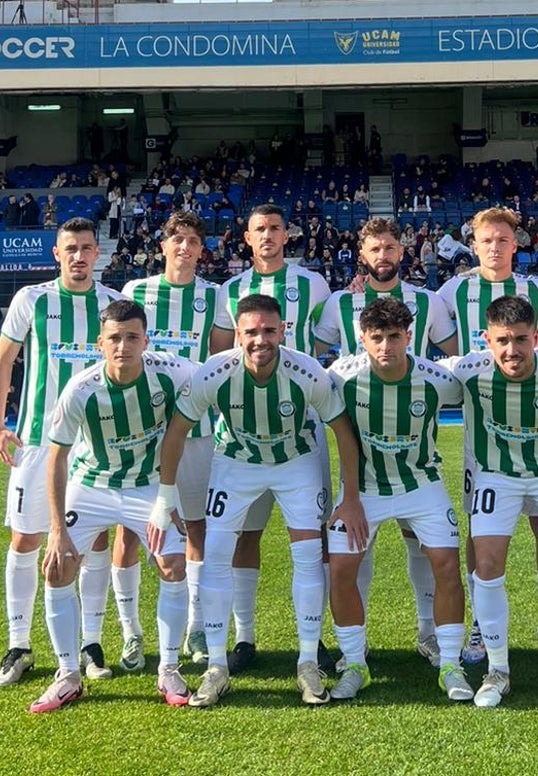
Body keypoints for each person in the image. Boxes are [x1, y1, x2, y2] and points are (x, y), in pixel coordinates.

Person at [153, 293, 361, 707]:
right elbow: (175, 433)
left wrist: (350, 496)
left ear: (283, 330)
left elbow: (342, 432)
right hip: (236, 462)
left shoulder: (307, 371)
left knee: (306, 554)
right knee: (215, 556)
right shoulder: (215, 372)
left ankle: (306, 660)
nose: (260, 340)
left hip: (295, 461)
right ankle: (216, 664)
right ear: (238, 334)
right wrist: (164, 500)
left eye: (269, 330)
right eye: (251, 332)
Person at [436, 206, 538, 668]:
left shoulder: (537, 288)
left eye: (503, 240)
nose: (495, 248)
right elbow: (418, 317)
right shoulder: (453, 290)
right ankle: (482, 624)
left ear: (514, 244)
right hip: (482, 433)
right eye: (486, 241)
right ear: (474, 244)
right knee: (478, 532)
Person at [28, 300, 197, 713]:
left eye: (132, 337)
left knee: (174, 565)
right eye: (115, 339)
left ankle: (170, 669)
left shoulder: (172, 375)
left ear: (146, 340)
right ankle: (68, 675)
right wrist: (56, 529)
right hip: (93, 487)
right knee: (58, 566)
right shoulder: (80, 391)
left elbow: (216, 380)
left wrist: (168, 497)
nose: (123, 346)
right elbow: (57, 459)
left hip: (146, 487)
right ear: (99, 342)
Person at [442, 296, 538, 710]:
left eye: (520, 340)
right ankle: (498, 670)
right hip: (497, 475)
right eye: (502, 341)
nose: (511, 350)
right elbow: (410, 372)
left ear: (536, 337)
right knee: (488, 562)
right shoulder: (467, 369)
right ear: (486, 340)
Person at [0, 218, 126, 688]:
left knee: (95, 542)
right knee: (25, 540)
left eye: (87, 248)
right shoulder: (33, 299)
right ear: (57, 253)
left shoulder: (111, 304)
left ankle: (90, 643)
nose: (79, 256)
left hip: (92, 445)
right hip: (35, 440)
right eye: (71, 248)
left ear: (98, 253)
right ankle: (19, 644)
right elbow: (4, 359)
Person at [315, 217, 458, 666]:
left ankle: (428, 633)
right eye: (375, 249)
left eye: (391, 248)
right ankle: (354, 647)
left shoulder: (428, 302)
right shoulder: (339, 303)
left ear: (403, 250)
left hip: (413, 441)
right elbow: (321, 358)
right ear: (362, 253)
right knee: (358, 544)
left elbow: (453, 357)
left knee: (421, 543)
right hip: (360, 441)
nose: (384, 256)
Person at [325, 300, 471, 702]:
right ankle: (354, 663)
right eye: (377, 338)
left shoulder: (438, 380)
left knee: (446, 563)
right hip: (364, 491)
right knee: (340, 568)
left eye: (394, 337)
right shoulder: (341, 376)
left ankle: (451, 665)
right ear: (362, 340)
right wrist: (349, 497)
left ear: (409, 336)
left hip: (421, 483)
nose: (386, 346)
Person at [207, 204, 332, 674]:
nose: (268, 236)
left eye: (276, 228)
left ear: (287, 234)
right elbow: (219, 352)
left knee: (311, 533)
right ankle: (245, 636)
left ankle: (313, 639)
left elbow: (328, 335)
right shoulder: (230, 290)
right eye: (259, 228)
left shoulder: (313, 283)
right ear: (247, 236)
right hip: (241, 433)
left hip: (301, 429)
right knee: (245, 534)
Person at [122, 212, 224, 668]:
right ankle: (131, 632)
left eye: (193, 241)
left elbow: (219, 361)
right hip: (137, 431)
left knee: (197, 526)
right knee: (130, 529)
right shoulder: (135, 292)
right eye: (177, 239)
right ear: (162, 246)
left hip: (198, 430)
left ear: (203, 250)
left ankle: (196, 626)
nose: (185, 247)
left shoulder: (214, 297)